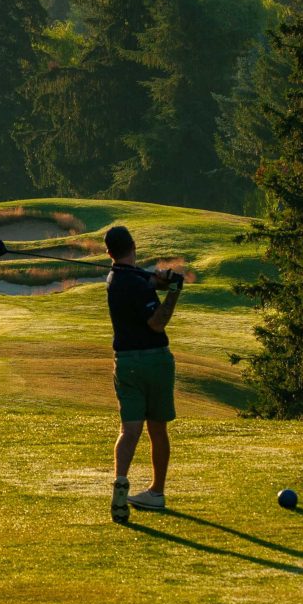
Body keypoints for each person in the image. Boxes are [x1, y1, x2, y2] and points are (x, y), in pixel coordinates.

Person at [103, 223, 182, 523]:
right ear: (133, 246)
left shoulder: (115, 278)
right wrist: (173, 291)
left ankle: (121, 482)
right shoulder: (136, 283)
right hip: (155, 361)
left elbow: (145, 282)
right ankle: (156, 492)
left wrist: (160, 280)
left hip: (125, 362)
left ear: (109, 252)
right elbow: (157, 323)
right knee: (157, 429)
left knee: (129, 430)